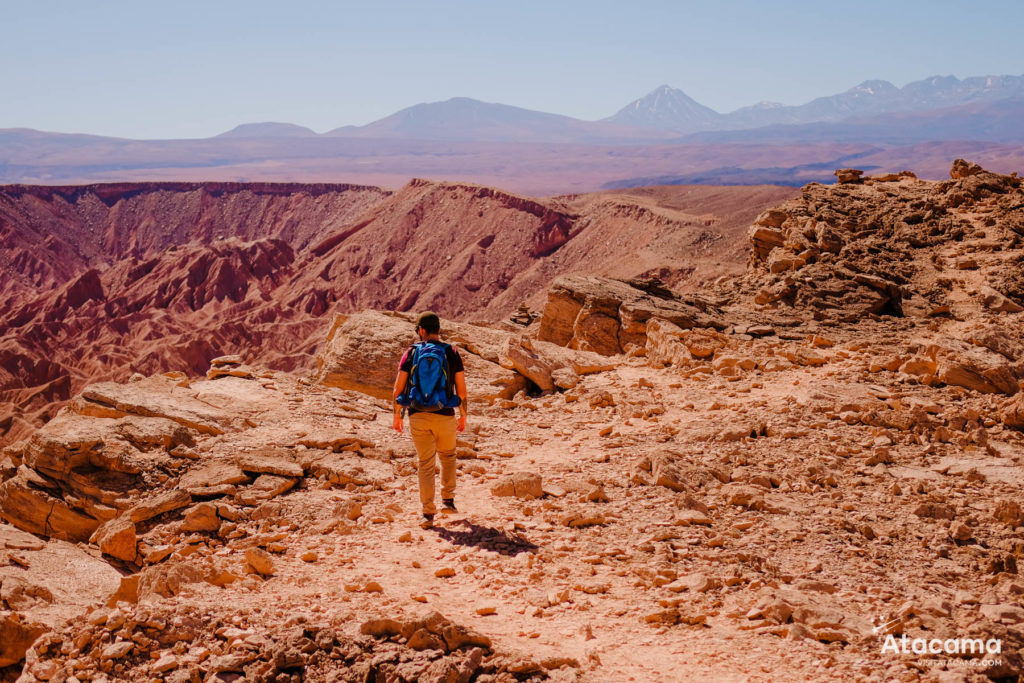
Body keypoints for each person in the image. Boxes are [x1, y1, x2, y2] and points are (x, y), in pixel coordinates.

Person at [393, 312, 467, 528]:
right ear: (438, 329)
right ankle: (448, 501)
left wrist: (397, 414)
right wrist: (463, 415)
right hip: (445, 414)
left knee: (425, 463)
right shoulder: (451, 352)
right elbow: (461, 390)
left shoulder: (412, 352)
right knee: (448, 455)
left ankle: (427, 513)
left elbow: (398, 388)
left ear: (422, 330)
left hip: (418, 415)